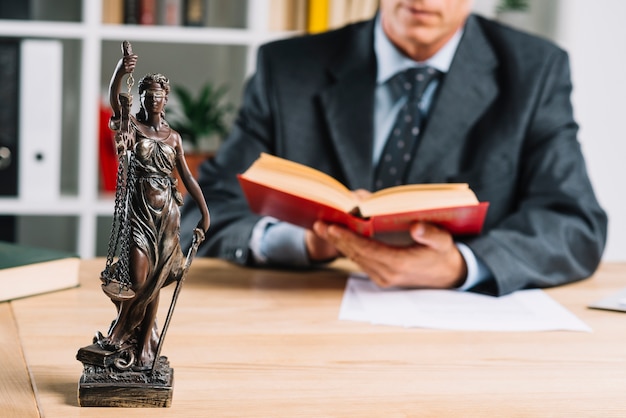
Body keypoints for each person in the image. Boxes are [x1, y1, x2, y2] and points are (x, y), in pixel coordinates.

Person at [180, 0, 607, 296]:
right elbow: (203, 211)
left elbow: (574, 224)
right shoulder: (287, 68)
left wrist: (461, 265)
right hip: (302, 315)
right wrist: (306, 243)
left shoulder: (536, 71)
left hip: (463, 334)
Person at [98, 47, 210, 369]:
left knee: (157, 278)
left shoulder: (173, 137)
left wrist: (204, 212)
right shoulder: (133, 126)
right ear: (142, 99)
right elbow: (114, 98)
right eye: (147, 95)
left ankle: (144, 341)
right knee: (138, 279)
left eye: (157, 96)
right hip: (140, 215)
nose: (152, 101)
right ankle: (123, 330)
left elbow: (187, 176)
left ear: (165, 99)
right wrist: (121, 69)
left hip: (168, 218)